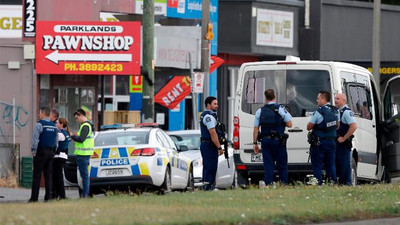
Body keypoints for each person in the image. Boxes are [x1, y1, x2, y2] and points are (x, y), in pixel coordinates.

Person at [253, 89, 293, 185]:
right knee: (282, 165)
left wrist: (255, 143)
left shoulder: (260, 111)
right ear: (274, 96)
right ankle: (283, 184)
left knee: (268, 165)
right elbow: (290, 124)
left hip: (266, 141)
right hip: (278, 141)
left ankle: (268, 185)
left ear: (265, 97)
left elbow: (255, 129)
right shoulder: (281, 109)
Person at [307, 91, 339, 185]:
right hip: (332, 141)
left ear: (323, 99)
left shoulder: (319, 112)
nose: (316, 100)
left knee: (317, 164)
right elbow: (338, 125)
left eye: (318, 98)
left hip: (319, 143)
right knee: (331, 164)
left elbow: (309, 127)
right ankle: (332, 182)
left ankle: (318, 183)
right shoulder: (335, 110)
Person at [29, 107, 58, 202]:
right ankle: (48, 198)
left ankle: (34, 198)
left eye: (39, 113)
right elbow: (56, 141)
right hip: (51, 152)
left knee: (37, 176)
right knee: (48, 176)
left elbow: (35, 139)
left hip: (41, 152)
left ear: (42, 113)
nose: (38, 115)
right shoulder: (54, 126)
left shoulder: (39, 124)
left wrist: (34, 151)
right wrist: (54, 151)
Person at [199, 96, 224, 191]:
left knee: (212, 166)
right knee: (209, 167)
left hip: (209, 145)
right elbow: (213, 133)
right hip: (209, 145)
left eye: (217, 104)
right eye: (214, 104)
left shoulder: (211, 116)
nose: (217, 106)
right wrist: (219, 147)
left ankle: (210, 186)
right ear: (208, 105)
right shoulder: (208, 117)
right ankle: (207, 187)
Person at [71, 109, 95, 198]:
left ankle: (85, 194)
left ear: (81, 115)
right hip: (85, 154)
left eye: (77, 118)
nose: (77, 120)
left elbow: (81, 139)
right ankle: (85, 194)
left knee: (84, 176)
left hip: (83, 155)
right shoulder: (87, 125)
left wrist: (72, 136)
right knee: (84, 176)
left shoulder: (85, 126)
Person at [334, 93, 357, 185]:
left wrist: (344, 138)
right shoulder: (339, 112)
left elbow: (353, 126)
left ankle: (346, 184)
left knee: (344, 165)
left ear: (344, 101)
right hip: (338, 143)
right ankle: (341, 183)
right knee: (339, 165)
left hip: (343, 144)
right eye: (335, 98)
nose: (336, 100)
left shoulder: (347, 112)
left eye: (338, 99)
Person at [52, 118, 71, 199]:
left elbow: (53, 140)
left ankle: (59, 195)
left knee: (57, 177)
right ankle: (60, 195)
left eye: (57, 123)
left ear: (61, 124)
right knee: (58, 176)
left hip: (58, 157)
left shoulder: (60, 134)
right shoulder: (66, 133)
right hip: (63, 156)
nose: (56, 124)